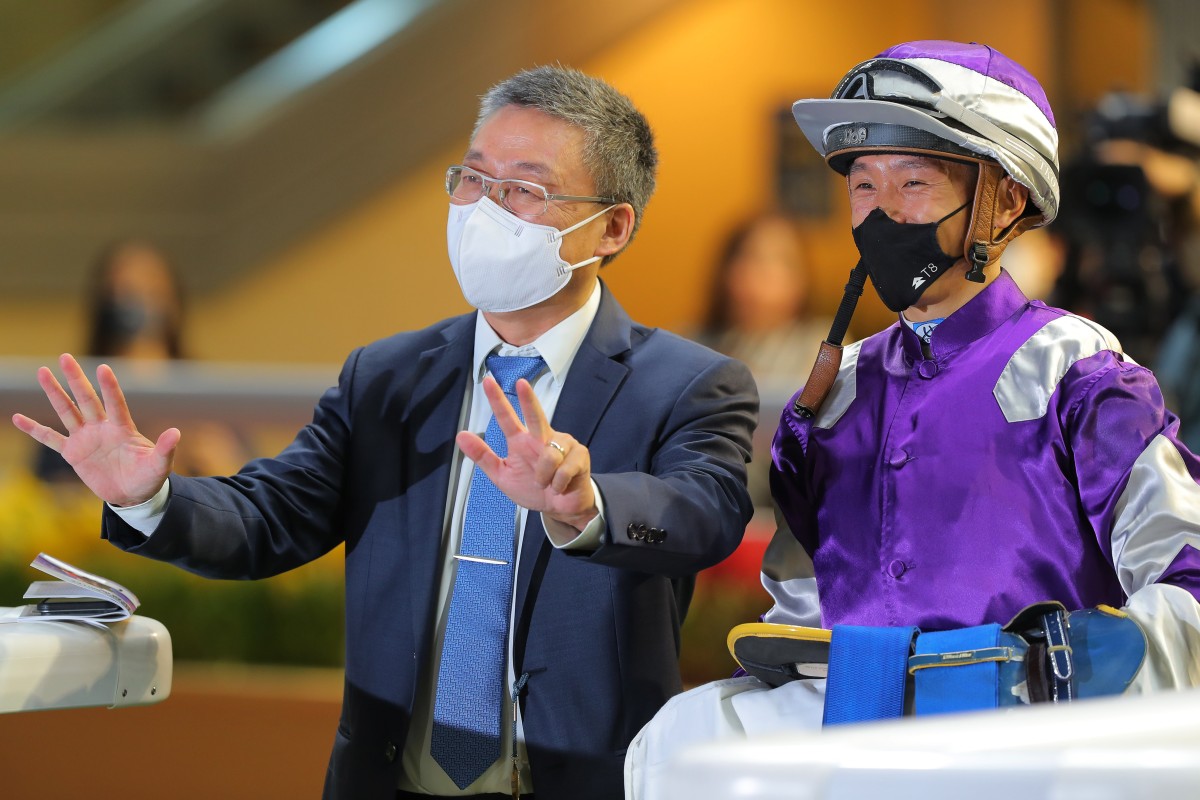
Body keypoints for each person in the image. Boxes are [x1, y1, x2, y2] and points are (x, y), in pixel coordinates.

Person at [12, 66, 758, 800]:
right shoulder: (389, 376)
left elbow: (709, 510)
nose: (485, 208)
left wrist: (586, 503)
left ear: (612, 226)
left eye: (524, 189)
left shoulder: (687, 382)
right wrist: (149, 498)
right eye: (473, 178)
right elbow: (273, 517)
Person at [625, 40, 1200, 797]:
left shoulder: (1074, 365)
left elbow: (1188, 580)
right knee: (676, 740)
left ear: (1006, 201)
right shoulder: (835, 392)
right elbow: (801, 618)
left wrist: (1057, 682)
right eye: (864, 184)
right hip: (862, 739)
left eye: (915, 182)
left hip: (1029, 753)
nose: (882, 212)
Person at [34, 238, 248, 482]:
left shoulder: (209, 399)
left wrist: (224, 473)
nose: (142, 304)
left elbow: (251, 488)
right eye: (126, 291)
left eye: (154, 289)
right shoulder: (75, 401)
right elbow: (48, 488)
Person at [697, 213, 838, 511]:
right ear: (728, 270)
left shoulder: (825, 345)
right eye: (753, 258)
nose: (765, 273)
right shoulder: (693, 345)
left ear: (803, 277)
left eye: (781, 261)